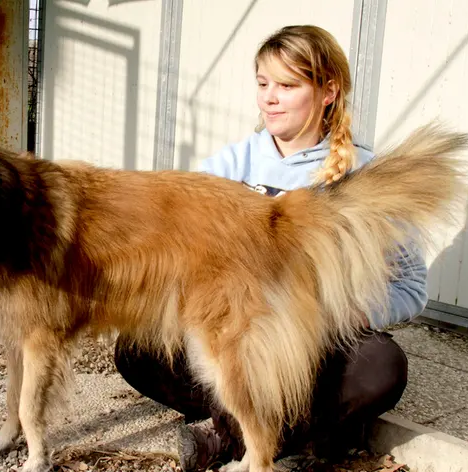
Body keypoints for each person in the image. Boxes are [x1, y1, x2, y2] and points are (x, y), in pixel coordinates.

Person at [114, 25, 426, 471]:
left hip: (319, 340)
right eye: (263, 84)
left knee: (382, 367)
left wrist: (345, 314)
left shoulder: (367, 174)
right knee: (137, 348)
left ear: (328, 91)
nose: (269, 98)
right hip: (234, 332)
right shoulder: (226, 166)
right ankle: (302, 435)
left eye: (287, 85)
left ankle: (228, 436)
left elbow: (413, 285)